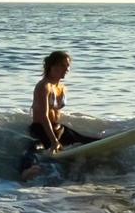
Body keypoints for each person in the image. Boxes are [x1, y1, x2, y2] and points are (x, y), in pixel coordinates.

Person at [19, 51, 99, 180]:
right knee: (35, 148)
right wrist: (53, 141)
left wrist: (56, 138)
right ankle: (27, 170)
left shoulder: (61, 87)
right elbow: (44, 116)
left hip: (57, 129)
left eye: (67, 66)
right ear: (52, 66)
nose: (66, 69)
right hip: (41, 129)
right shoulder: (43, 86)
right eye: (62, 65)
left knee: (88, 141)